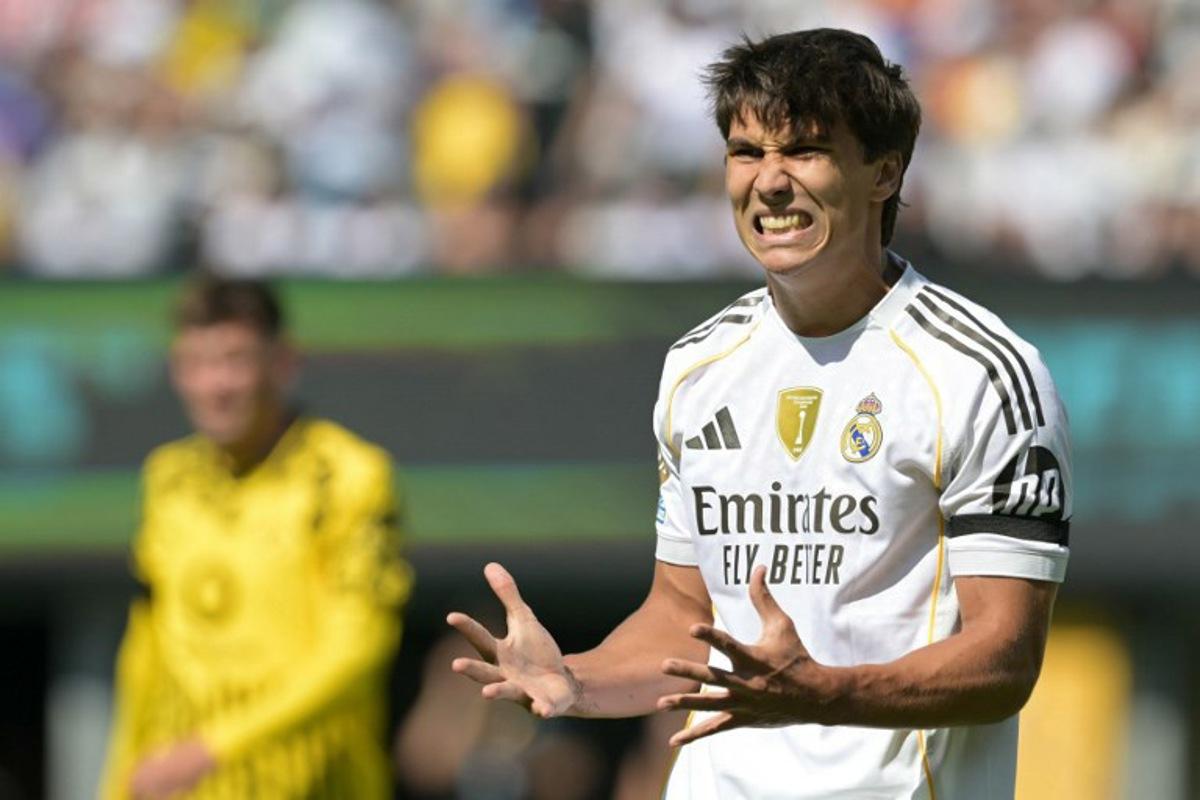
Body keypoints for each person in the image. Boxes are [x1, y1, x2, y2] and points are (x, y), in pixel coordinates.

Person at [447, 29, 1071, 799]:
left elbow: (1004, 659)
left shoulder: (980, 371)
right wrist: (574, 680)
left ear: (883, 172)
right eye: (746, 152)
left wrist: (821, 693)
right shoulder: (696, 366)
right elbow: (683, 618)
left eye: (805, 151)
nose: (769, 182)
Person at [99, 277, 411, 799]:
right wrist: (117, 783)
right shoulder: (167, 478)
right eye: (196, 363)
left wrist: (215, 746)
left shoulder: (349, 475)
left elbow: (360, 645)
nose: (216, 385)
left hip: (317, 785)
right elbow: (146, 646)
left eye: (235, 360)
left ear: (283, 362)